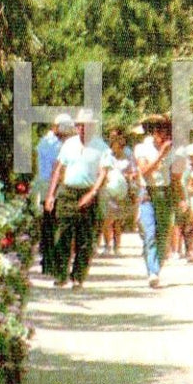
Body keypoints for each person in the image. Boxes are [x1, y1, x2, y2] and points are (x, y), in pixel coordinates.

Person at [45, 110, 112, 290]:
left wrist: (92, 193)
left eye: (86, 125)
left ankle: (78, 276)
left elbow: (103, 173)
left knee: (85, 238)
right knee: (62, 234)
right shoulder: (69, 144)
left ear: (92, 127)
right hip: (68, 192)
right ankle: (61, 274)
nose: (82, 128)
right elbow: (59, 169)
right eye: (79, 125)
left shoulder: (101, 147)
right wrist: (51, 194)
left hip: (88, 192)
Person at [133, 114, 181, 289]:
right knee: (150, 233)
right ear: (153, 132)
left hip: (165, 193)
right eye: (159, 131)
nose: (163, 135)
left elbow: (175, 178)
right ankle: (152, 271)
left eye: (166, 131)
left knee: (163, 234)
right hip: (148, 193)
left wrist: (180, 199)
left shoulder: (173, 151)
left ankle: (156, 267)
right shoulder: (142, 148)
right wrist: (161, 155)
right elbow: (144, 171)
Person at [35, 114, 72, 275]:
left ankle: (47, 261)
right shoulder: (55, 144)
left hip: (45, 186)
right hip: (53, 187)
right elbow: (58, 168)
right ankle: (53, 262)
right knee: (55, 225)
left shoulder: (44, 141)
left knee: (48, 224)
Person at [100, 128, 134, 256]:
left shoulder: (128, 155)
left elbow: (133, 171)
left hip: (122, 192)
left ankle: (117, 246)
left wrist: (129, 176)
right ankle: (107, 245)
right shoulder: (106, 154)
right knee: (107, 219)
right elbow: (102, 169)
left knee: (118, 220)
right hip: (108, 190)